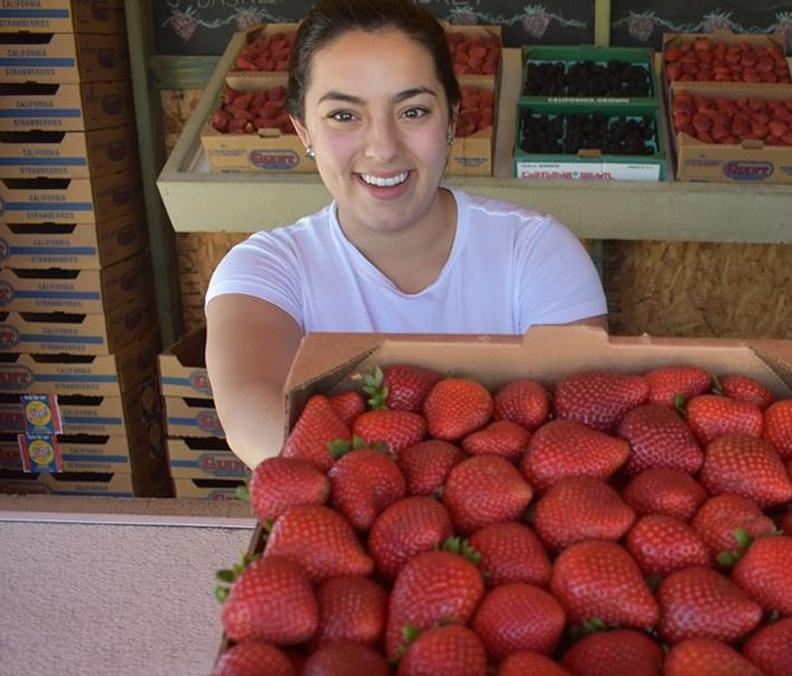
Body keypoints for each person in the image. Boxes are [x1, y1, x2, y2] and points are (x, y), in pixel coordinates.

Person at [205, 0, 608, 468]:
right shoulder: (265, 270)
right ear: (303, 131)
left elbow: (574, 430)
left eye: (413, 112)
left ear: (452, 120)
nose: (383, 148)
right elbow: (253, 417)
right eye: (343, 115)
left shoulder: (537, 252)